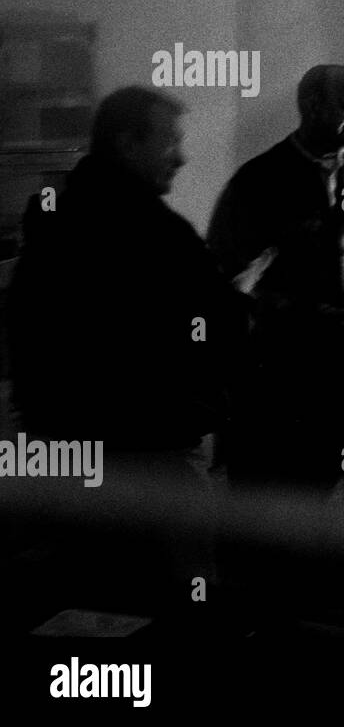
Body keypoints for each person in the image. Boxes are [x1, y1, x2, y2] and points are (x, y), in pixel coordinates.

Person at [7, 85, 244, 627]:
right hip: (156, 463)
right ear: (127, 143)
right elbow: (217, 332)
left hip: (67, 467)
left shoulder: (51, 227)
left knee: (93, 612)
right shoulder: (160, 236)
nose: (182, 156)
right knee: (180, 611)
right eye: (170, 142)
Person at [207, 63, 344, 491]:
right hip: (278, 383)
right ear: (312, 106)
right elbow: (226, 281)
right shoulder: (258, 182)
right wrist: (290, 309)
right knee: (274, 506)